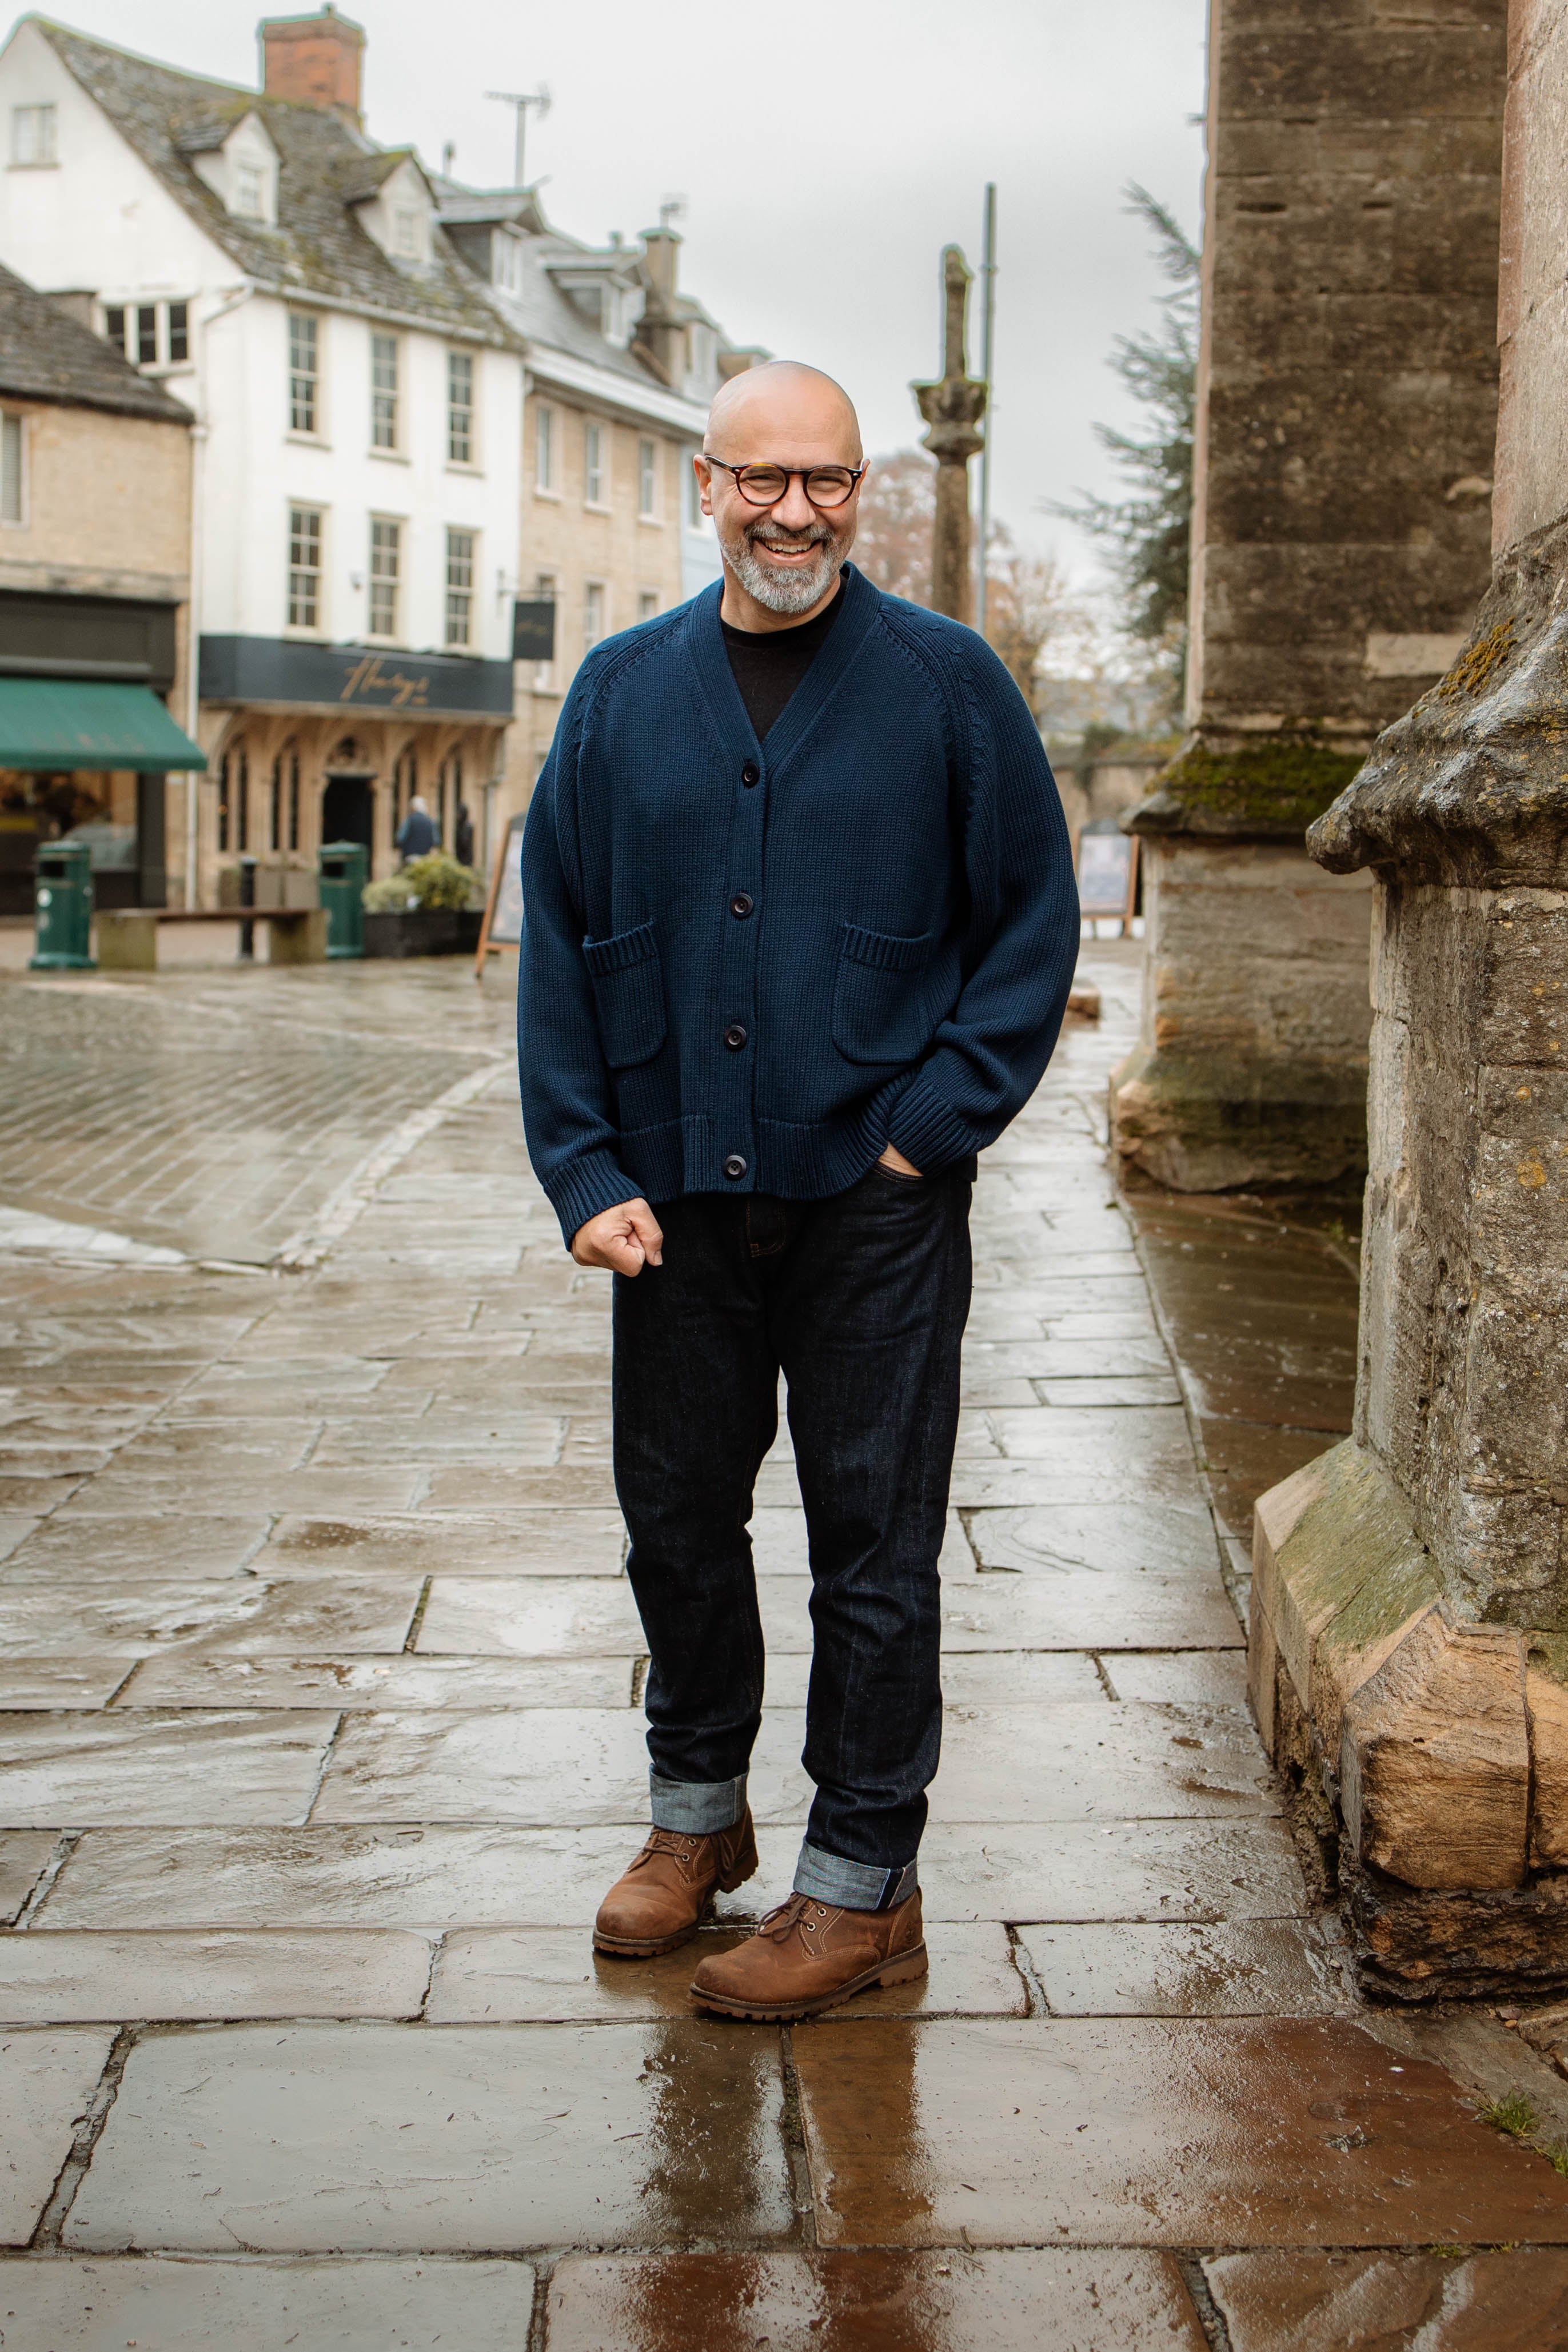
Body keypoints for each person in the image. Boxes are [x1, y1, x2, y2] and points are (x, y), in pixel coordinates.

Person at [518, 361, 1078, 2021]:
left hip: (873, 1208)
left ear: (860, 491)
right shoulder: (619, 696)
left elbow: (1025, 928)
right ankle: (694, 1822)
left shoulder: (944, 686)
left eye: (823, 480)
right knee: (676, 1527)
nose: (791, 510)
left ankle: (857, 1882)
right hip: (668, 1207)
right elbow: (559, 940)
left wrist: (929, 1132)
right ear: (707, 487)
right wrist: (582, 1166)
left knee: (872, 1546)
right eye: (758, 479)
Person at [396, 794, 437, 862]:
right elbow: (436, 841)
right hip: (425, 856)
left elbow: (400, 838)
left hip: (410, 856)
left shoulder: (409, 820)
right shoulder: (430, 822)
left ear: (413, 808)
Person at [454, 800, 474, 870]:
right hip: (459, 857)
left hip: (466, 858)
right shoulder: (459, 826)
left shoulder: (468, 827)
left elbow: (465, 843)